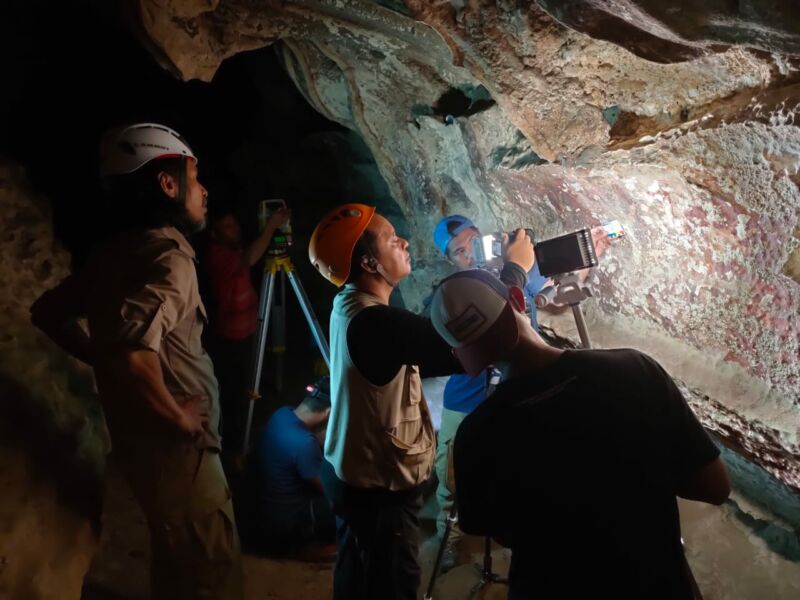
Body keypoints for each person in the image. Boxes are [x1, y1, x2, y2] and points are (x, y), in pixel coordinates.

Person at [30, 123, 243, 599]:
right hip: (179, 457)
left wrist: (102, 359)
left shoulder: (115, 253)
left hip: (142, 455)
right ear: (167, 185)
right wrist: (179, 417)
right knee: (211, 574)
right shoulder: (171, 259)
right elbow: (132, 351)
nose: (204, 189)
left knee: (176, 574)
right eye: (194, 176)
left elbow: (47, 312)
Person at [430, 269, 732, 600]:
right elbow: (715, 486)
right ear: (518, 299)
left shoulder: (476, 436)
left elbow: (494, 530)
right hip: (656, 585)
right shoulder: (634, 371)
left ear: (459, 352)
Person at [307, 204, 534, 600]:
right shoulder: (376, 324)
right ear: (368, 262)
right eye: (392, 239)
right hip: (378, 494)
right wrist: (515, 271)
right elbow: (479, 344)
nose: (404, 241)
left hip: (351, 478)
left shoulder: (351, 303)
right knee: (392, 585)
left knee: (358, 579)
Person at [428, 215, 552, 569]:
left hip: (517, 392)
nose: (469, 252)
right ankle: (448, 537)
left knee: (525, 468)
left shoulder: (516, 274)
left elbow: (550, 283)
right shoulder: (454, 291)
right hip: (467, 395)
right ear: (451, 259)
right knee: (451, 472)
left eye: (473, 241)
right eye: (459, 250)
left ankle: (524, 541)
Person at [205, 205, 290, 461]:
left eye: (235, 224)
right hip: (231, 337)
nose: (236, 230)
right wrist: (272, 226)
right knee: (232, 394)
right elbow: (250, 259)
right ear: (214, 233)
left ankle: (247, 436)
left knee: (246, 386)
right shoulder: (217, 255)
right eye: (228, 227)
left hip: (249, 329)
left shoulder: (232, 249)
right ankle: (234, 450)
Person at [247, 376, 336, 553]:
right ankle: (307, 546)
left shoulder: (282, 414)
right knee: (345, 497)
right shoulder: (304, 443)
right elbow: (326, 489)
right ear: (329, 412)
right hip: (284, 530)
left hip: (262, 516)